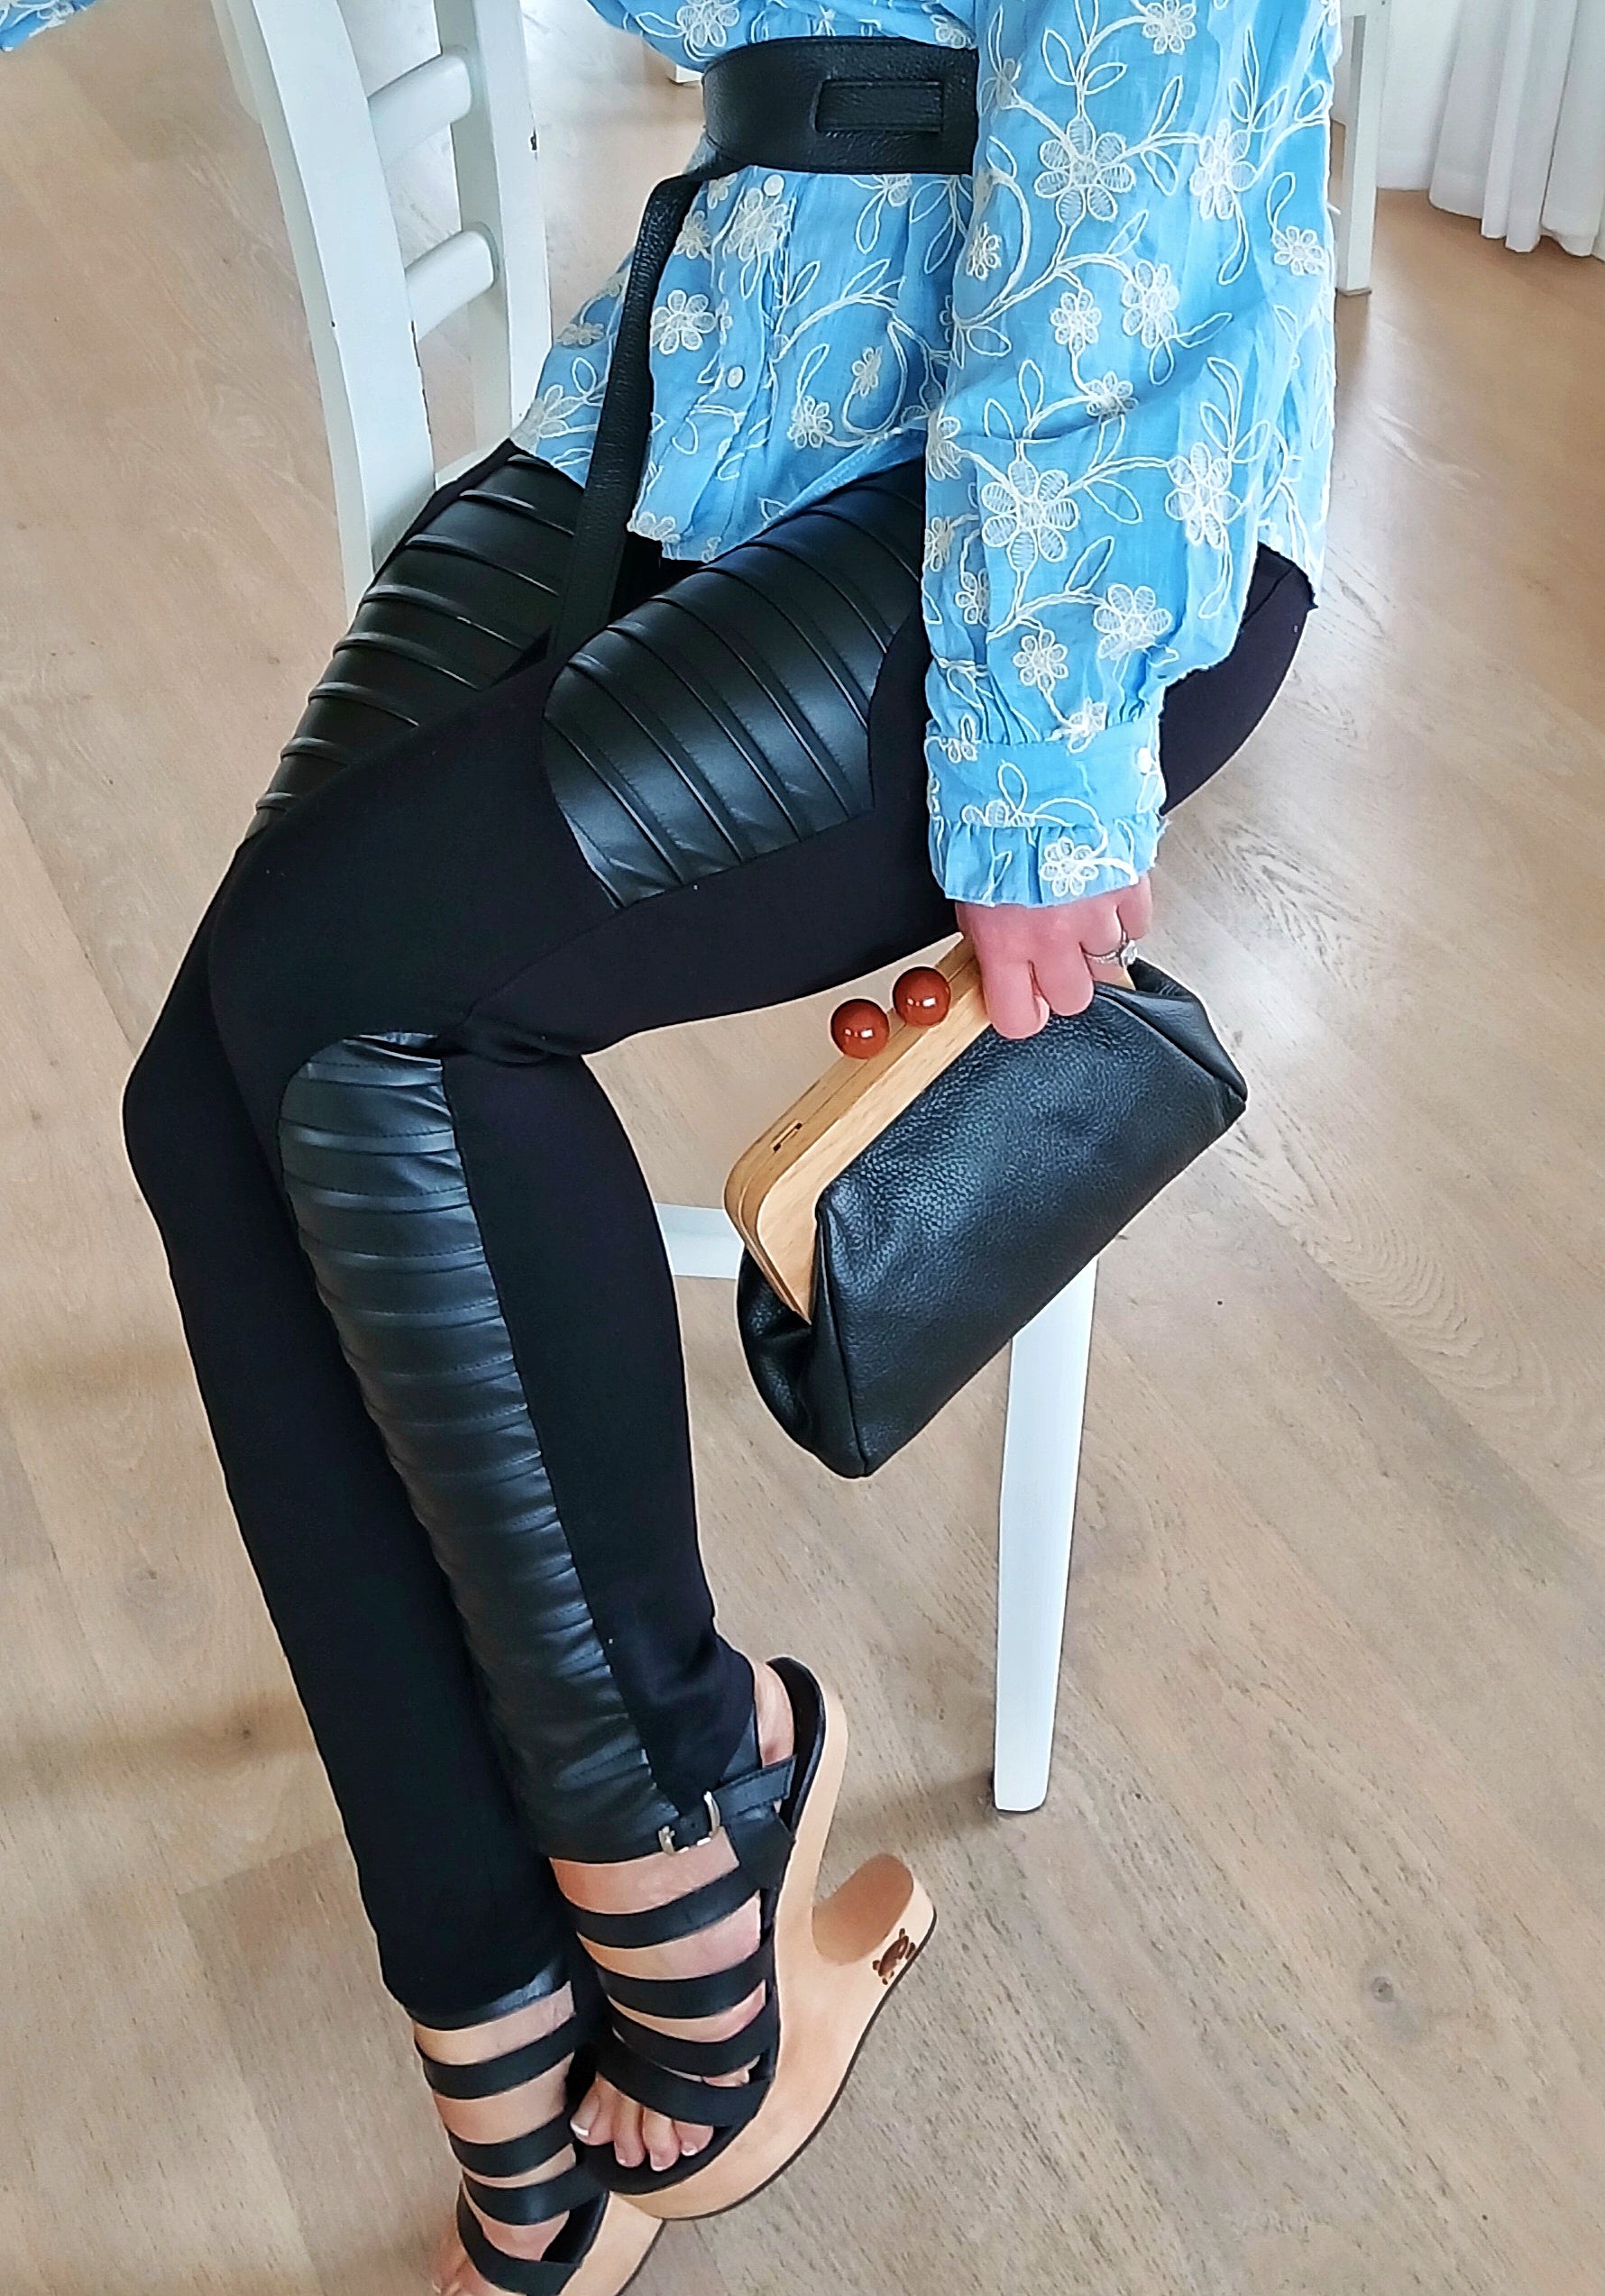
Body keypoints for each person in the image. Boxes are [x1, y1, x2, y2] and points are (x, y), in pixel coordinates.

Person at [123, 1, 1336, 2289]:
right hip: (701, 385)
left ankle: (682, 1792)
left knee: (367, 1010)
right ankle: (489, 1983)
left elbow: (1145, 95)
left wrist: (1039, 747)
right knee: (205, 1092)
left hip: (1064, 470)